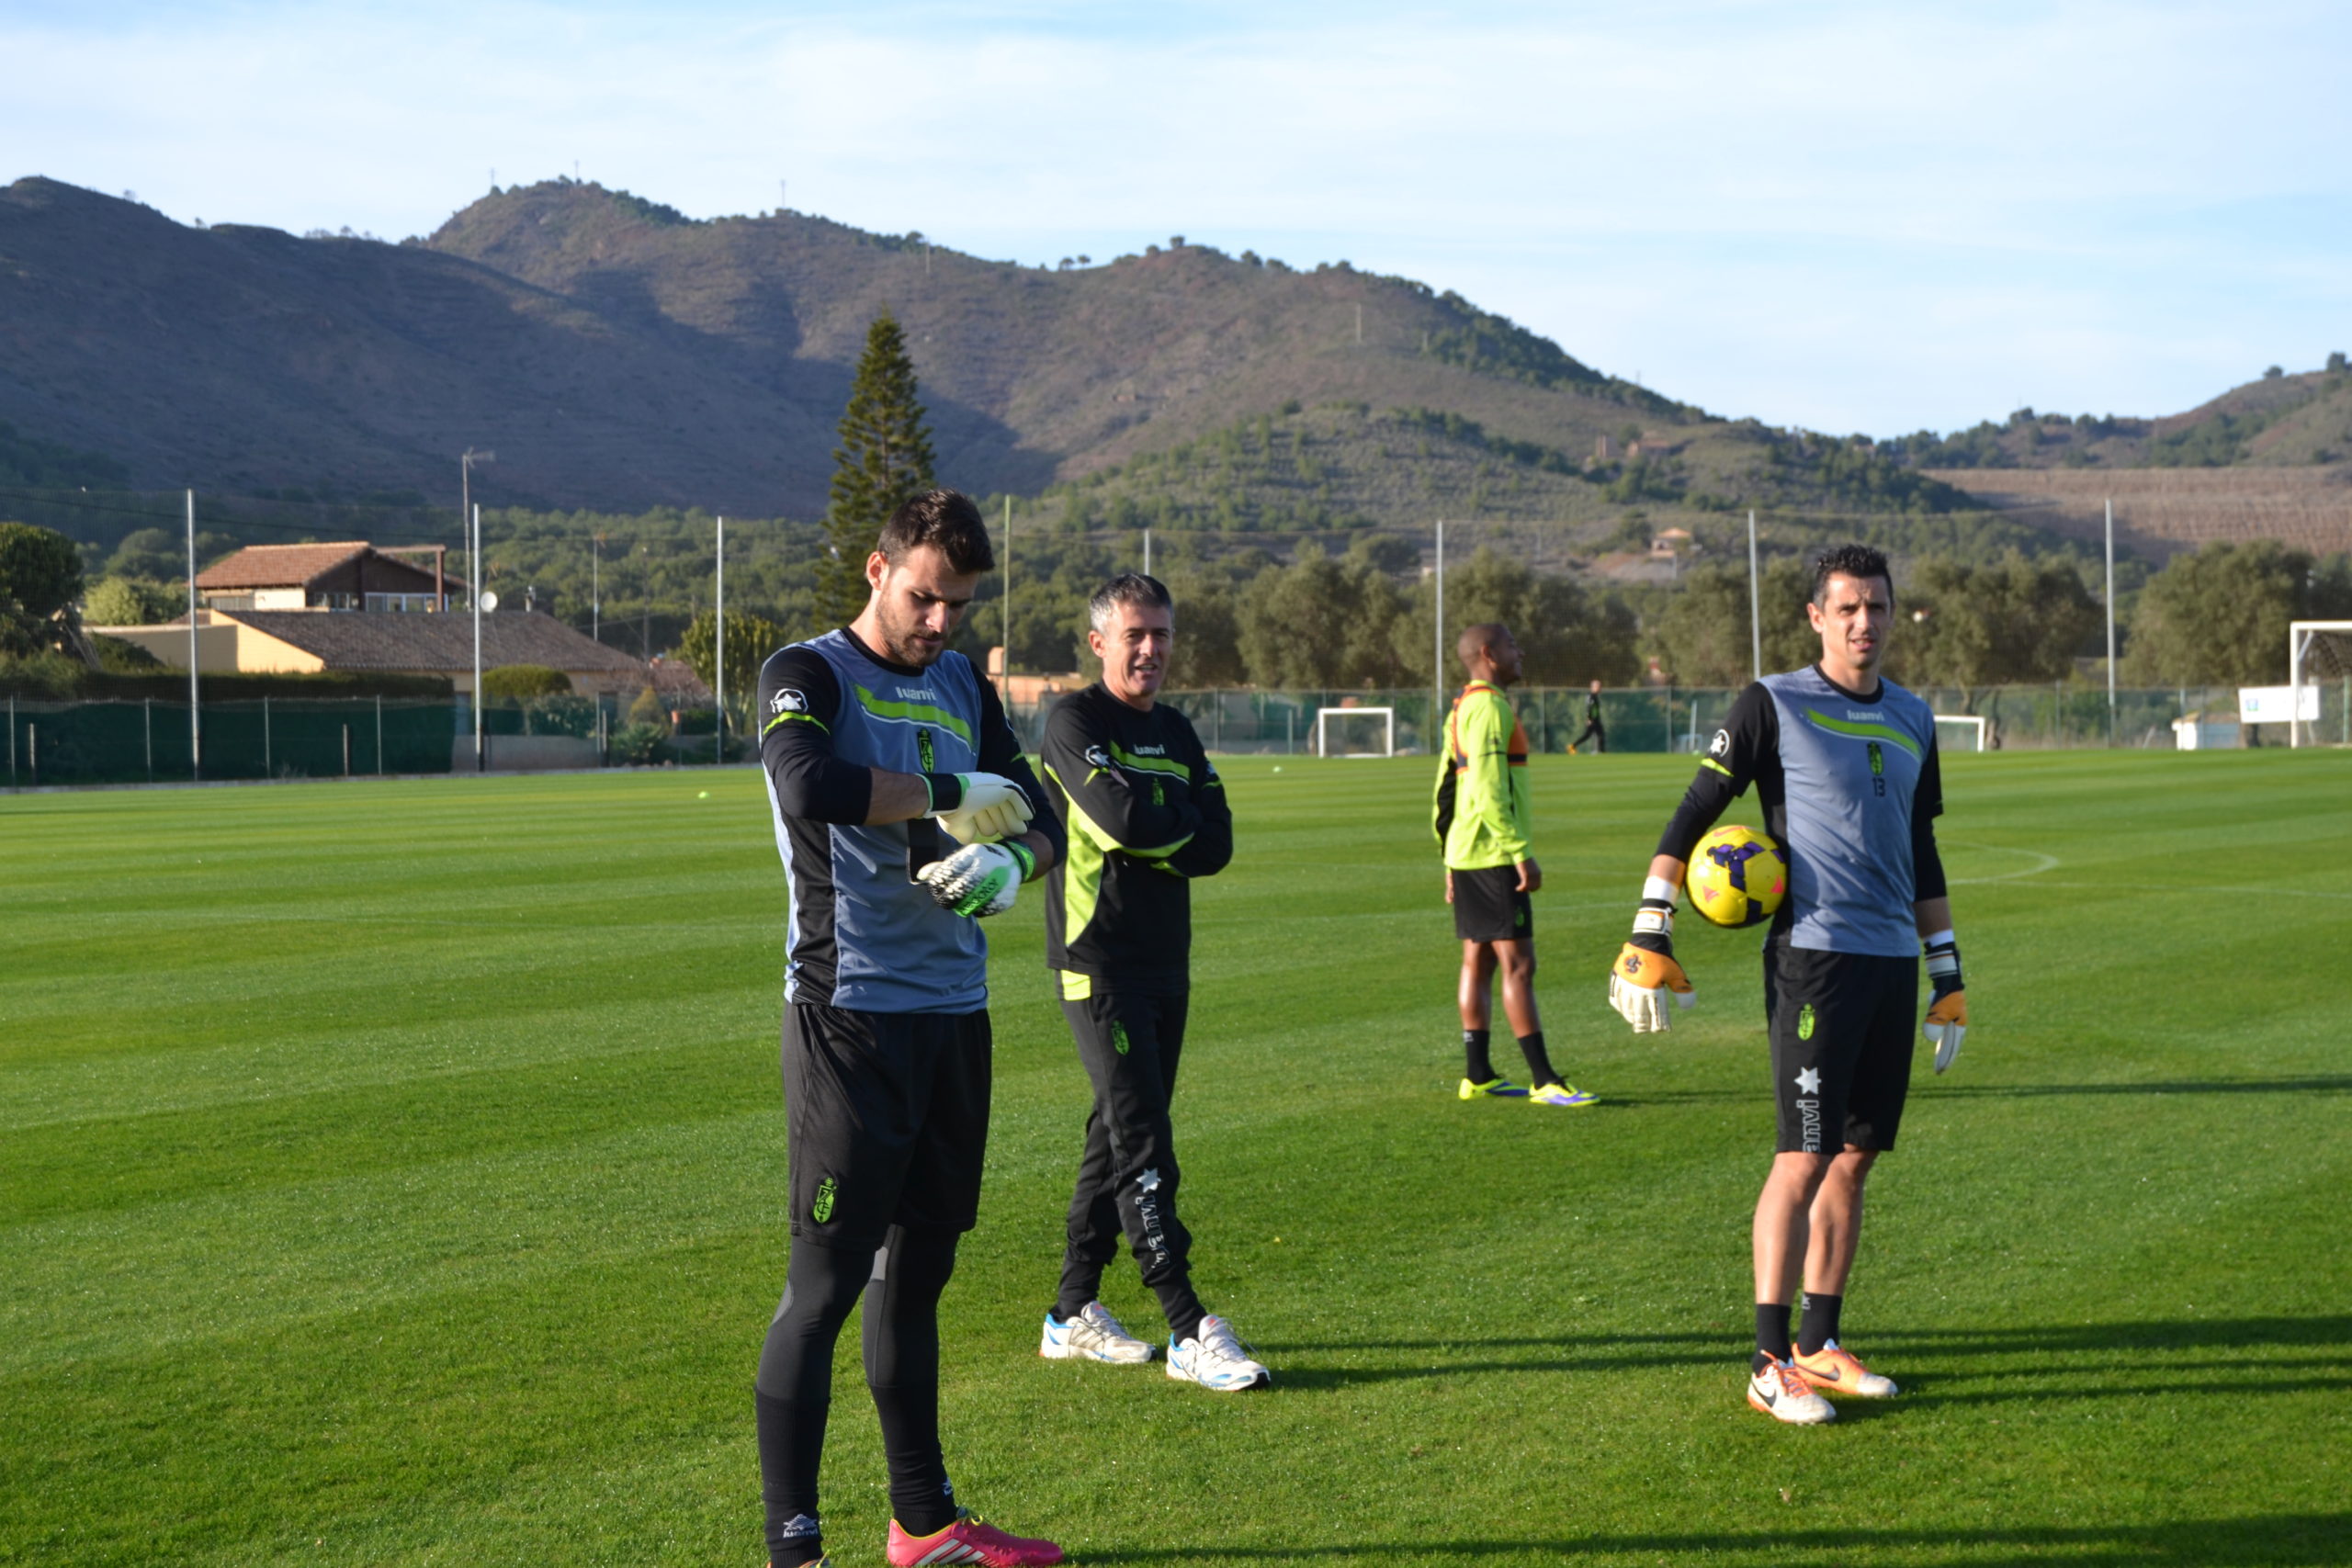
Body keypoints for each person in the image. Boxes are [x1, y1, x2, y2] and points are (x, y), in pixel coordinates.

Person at [752, 490, 1069, 1568]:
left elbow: (1046, 818)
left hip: (953, 1019)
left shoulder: (957, 683)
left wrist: (1005, 860)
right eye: (927, 598)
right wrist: (949, 791)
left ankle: (923, 1526)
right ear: (879, 569)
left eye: (961, 607)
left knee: (917, 1277)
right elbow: (807, 784)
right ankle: (793, 1548)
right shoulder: (807, 674)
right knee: (825, 1286)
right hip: (850, 1018)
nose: (942, 624)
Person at [1606, 543, 1968, 1427]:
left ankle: (1819, 1344)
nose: (1863, 622)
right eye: (1845, 607)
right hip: (1814, 958)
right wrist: (1651, 924)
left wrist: (1946, 971)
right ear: (1816, 616)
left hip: (1889, 961)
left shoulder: (1915, 717)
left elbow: (1921, 849)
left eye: (1877, 606)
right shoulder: (1773, 702)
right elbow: (1693, 813)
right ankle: (1768, 1362)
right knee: (1802, 1156)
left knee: (1856, 1156)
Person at [1035, 574, 1270, 1390]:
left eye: (1162, 634)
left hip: (1168, 960)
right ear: (1099, 641)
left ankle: (1069, 1314)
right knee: (1144, 1144)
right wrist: (1169, 825)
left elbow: (1219, 843)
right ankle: (1186, 1326)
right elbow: (1123, 821)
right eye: (1135, 634)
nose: (1151, 649)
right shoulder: (1072, 720)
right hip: (1097, 961)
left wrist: (1158, 826)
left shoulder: (1174, 729)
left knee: (1117, 1132)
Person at [1433, 622, 1598, 1109]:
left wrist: (1448, 854)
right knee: (1519, 964)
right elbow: (1484, 790)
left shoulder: (1462, 706)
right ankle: (1544, 1079)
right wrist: (1518, 849)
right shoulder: (1487, 707)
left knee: (1478, 959)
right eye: (1510, 645)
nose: (1519, 651)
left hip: (1467, 851)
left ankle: (1478, 1074)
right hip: (1491, 854)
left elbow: (1445, 788)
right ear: (1488, 653)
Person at [1568, 679, 1607, 754]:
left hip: (1596, 719)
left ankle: (1601, 751)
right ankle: (1572, 746)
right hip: (1593, 720)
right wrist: (1589, 719)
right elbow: (1589, 708)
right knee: (1587, 735)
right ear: (1594, 687)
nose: (1600, 688)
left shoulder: (1594, 696)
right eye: (1599, 686)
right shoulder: (1592, 696)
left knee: (1600, 734)